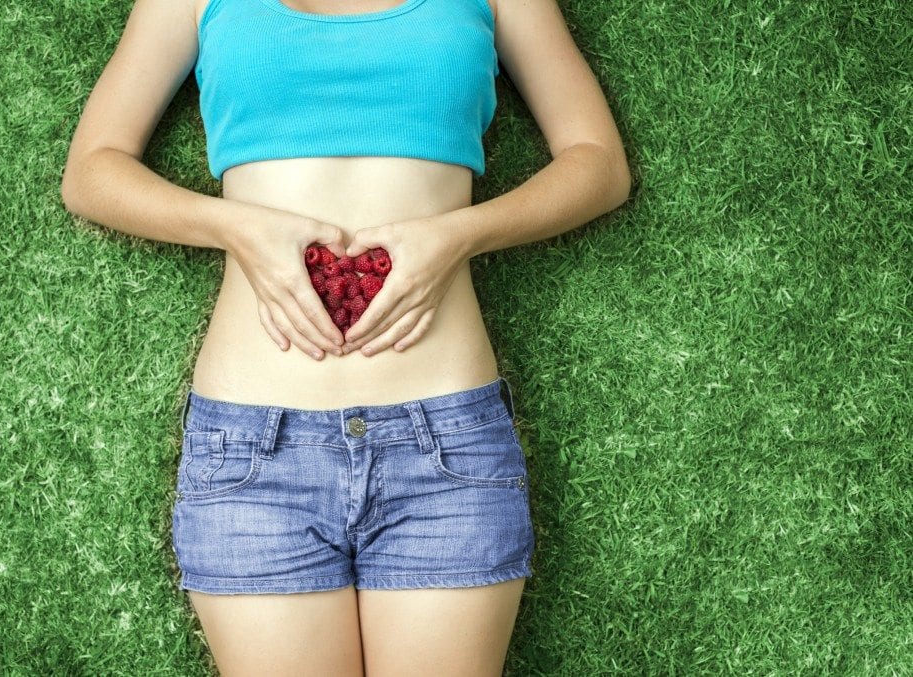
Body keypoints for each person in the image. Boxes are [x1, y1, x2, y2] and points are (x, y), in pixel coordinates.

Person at [60, 0, 630, 673]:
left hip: (445, 446)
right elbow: (93, 170)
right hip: (253, 454)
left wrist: (457, 236)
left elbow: (598, 164)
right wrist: (237, 227)